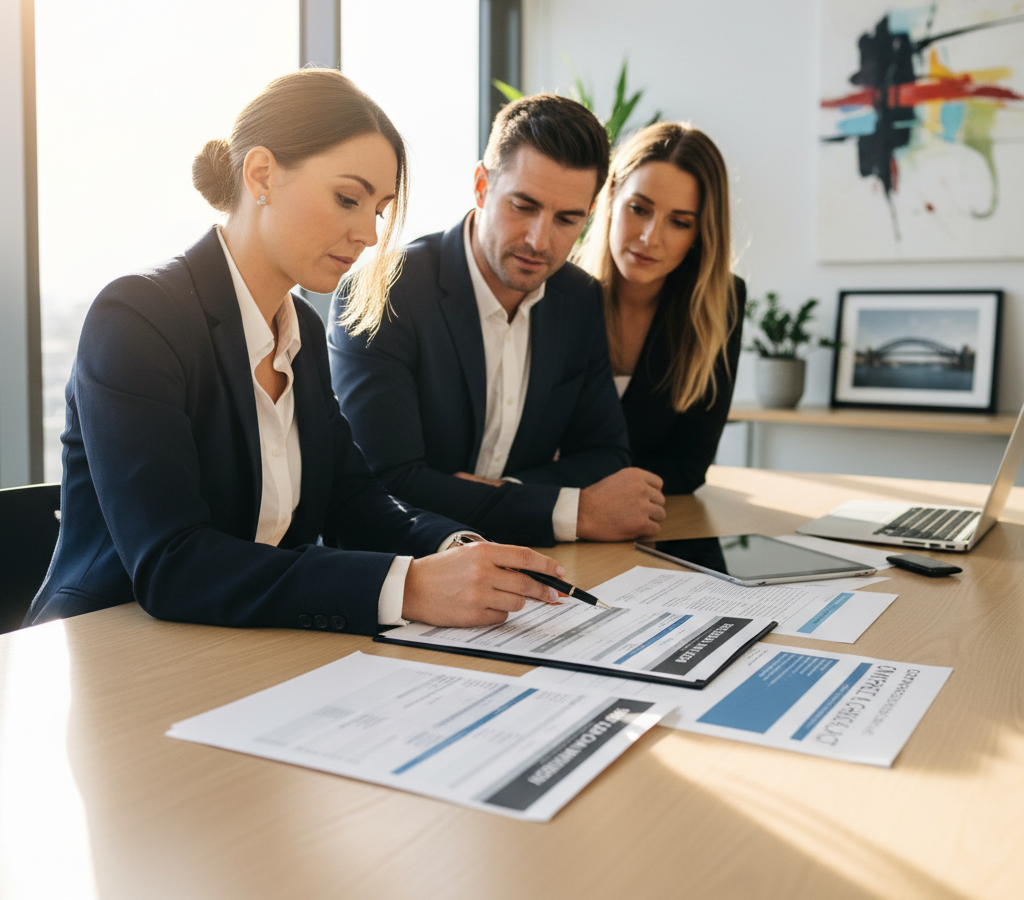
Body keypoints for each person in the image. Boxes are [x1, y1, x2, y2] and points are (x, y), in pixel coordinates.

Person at [25, 69, 567, 634]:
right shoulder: (138, 317)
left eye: (378, 210)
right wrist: (407, 587)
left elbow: (353, 500)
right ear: (261, 174)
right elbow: (172, 562)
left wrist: (460, 550)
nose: (369, 234)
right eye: (347, 198)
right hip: (115, 648)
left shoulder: (301, 327)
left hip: (247, 644)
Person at [329, 94, 665, 547]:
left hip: (522, 562)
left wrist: (505, 495)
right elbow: (386, 483)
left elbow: (605, 453)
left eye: (567, 219)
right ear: (482, 186)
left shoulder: (579, 298)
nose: (539, 240)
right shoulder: (384, 293)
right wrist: (571, 512)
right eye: (523, 206)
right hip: (408, 564)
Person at [573, 122, 744, 494]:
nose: (651, 238)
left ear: (699, 234)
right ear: (611, 196)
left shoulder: (719, 303)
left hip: (652, 521)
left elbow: (688, 467)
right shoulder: (560, 291)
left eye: (679, 222)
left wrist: (576, 479)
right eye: (639, 208)